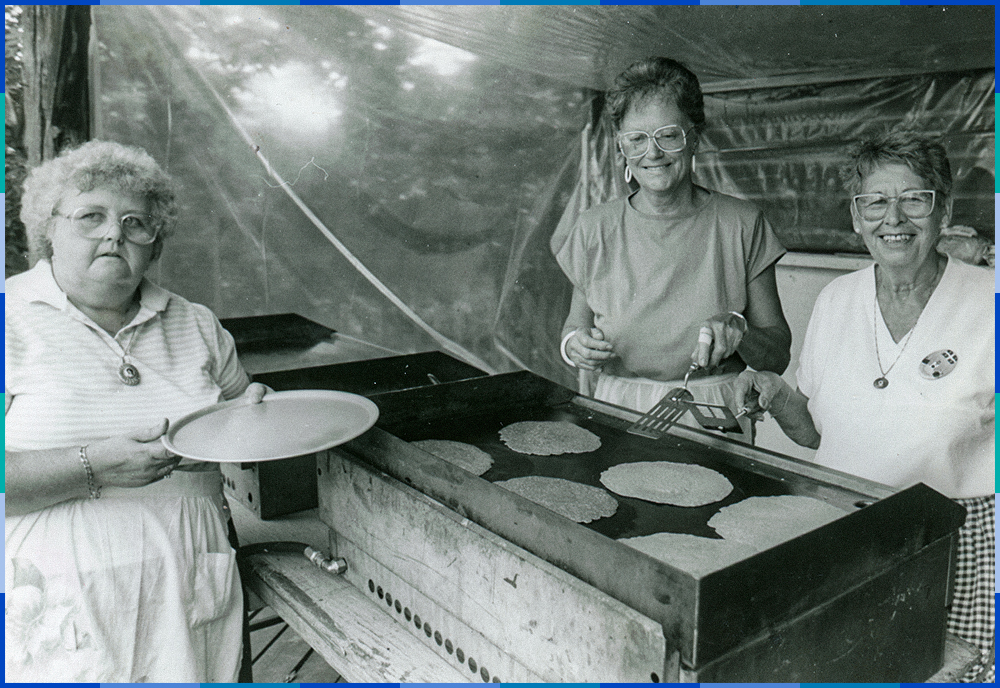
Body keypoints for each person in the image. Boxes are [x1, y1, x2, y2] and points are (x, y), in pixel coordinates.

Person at [734, 129, 994, 682]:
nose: (892, 218)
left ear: (942, 210)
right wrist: (777, 394)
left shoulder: (988, 301)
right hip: (844, 536)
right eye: (875, 201)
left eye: (914, 199)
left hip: (951, 546)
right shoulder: (836, 301)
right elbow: (813, 433)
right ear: (855, 216)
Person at [5, 140, 267, 682]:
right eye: (90, 216)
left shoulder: (197, 324)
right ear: (48, 229)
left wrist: (255, 421)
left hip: (190, 590)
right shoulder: (10, 320)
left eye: (135, 222)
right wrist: (93, 465)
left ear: (155, 242)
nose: (113, 234)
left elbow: (246, 433)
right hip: (58, 604)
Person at [554, 57, 791, 438]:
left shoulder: (742, 223)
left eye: (668, 134)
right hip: (616, 407)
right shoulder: (593, 228)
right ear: (621, 147)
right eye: (637, 139)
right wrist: (574, 346)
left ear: (694, 136)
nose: (653, 153)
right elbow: (574, 327)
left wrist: (740, 335)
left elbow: (778, 355)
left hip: (713, 411)